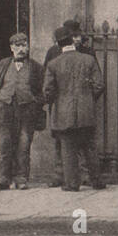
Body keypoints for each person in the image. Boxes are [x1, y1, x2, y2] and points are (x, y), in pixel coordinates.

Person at [43, 27, 106, 192]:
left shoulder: (53, 64)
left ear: (58, 44)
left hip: (63, 113)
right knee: (90, 147)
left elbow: (48, 91)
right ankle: (97, 181)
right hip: (86, 111)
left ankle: (72, 184)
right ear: (72, 40)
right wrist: (88, 100)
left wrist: (55, 102)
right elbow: (99, 85)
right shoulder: (88, 60)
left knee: (68, 149)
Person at [0, 32, 44, 190]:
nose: (21, 49)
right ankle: (2, 179)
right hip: (4, 109)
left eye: (24, 45)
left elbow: (43, 91)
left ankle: (21, 179)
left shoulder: (36, 68)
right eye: (17, 46)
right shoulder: (1, 65)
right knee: (3, 144)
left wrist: (35, 102)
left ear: (28, 47)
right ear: (11, 48)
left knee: (24, 145)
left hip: (26, 110)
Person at [45, 19, 92, 187]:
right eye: (74, 36)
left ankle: (83, 174)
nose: (77, 39)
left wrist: (86, 99)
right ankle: (60, 174)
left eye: (79, 36)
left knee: (82, 142)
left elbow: (95, 81)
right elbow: (47, 81)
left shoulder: (87, 53)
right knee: (60, 141)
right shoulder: (53, 52)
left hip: (80, 106)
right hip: (59, 105)